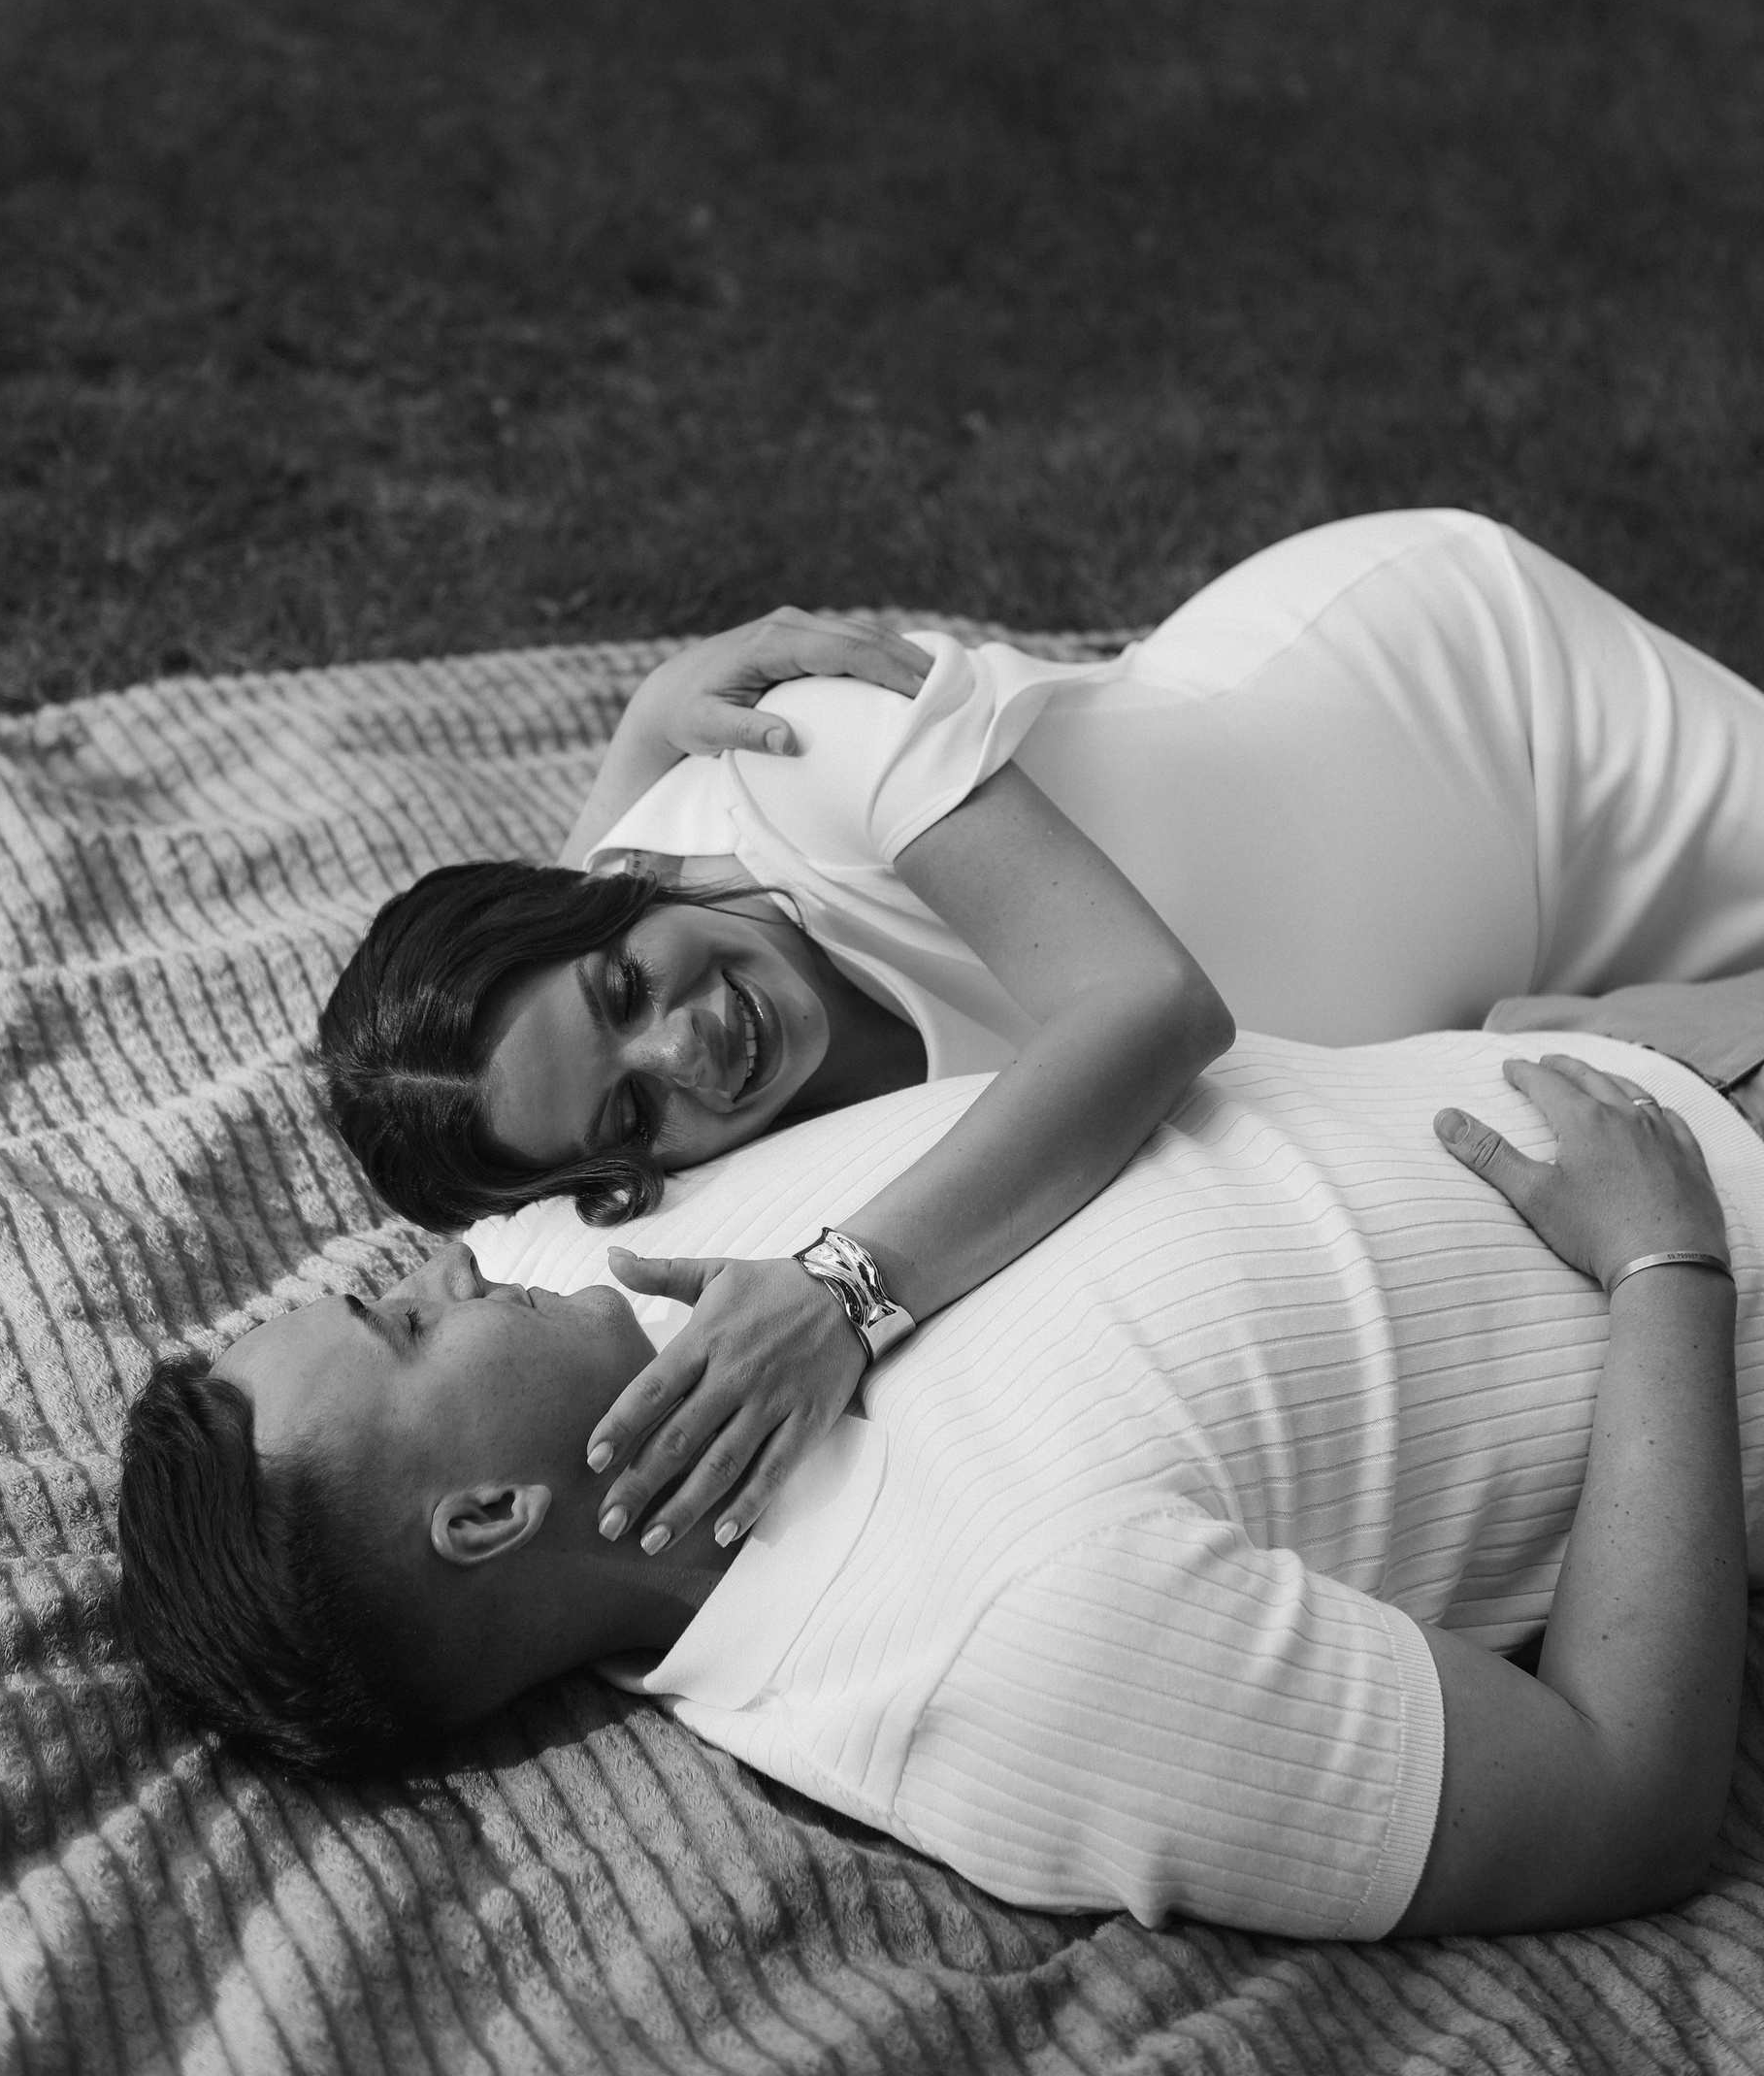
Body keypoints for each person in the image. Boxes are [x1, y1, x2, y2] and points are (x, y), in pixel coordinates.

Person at [317, 510, 1764, 1565]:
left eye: (625, 991)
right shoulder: (662, 1133)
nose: (687, 1053)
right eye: (630, 1118)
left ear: (622, 885)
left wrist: (842, 1297)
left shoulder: (808, 755)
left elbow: (1153, 1007)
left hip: (1487, 719)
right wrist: (641, 728)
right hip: (1460, 964)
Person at [118, 1026, 1761, 1940]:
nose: (442, 1268)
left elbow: (567, 1019)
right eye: (406, 1326)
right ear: (487, 1519)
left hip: (1624, 1023)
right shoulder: (995, 1655)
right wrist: (1668, 1263)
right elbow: (1624, 1806)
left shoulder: (587, 1275)